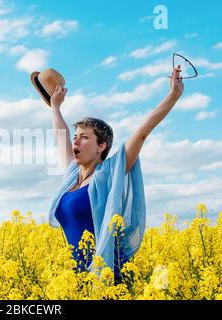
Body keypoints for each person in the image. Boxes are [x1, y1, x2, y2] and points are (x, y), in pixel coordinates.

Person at [47, 66, 184, 281]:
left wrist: (173, 95)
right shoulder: (71, 176)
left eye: (84, 137)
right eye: (75, 136)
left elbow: (141, 134)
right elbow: (60, 134)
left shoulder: (109, 173)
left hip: (107, 275)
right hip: (74, 279)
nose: (75, 140)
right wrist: (55, 107)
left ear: (101, 146)